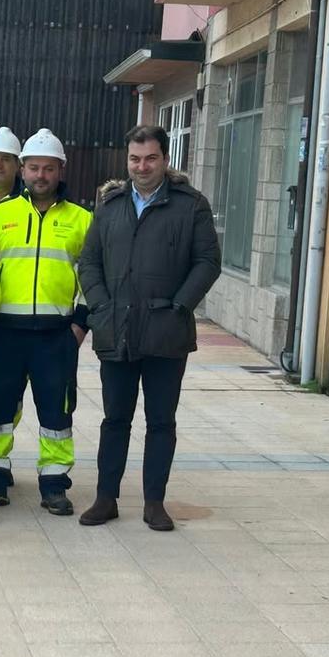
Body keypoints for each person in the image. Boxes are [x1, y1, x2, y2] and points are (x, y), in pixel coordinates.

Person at [77, 124, 221, 532]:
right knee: (114, 419)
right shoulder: (110, 204)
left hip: (166, 331)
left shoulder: (190, 205)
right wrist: (101, 304)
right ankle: (106, 498)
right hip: (116, 329)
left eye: (151, 158)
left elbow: (208, 261)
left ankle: (155, 502)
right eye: (135, 159)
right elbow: (89, 261)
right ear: (127, 160)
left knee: (161, 421)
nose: (142, 166)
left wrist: (180, 306)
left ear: (165, 159)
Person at [0, 128, 92, 516]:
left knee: (56, 414)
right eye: (34, 168)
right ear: (22, 171)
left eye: (49, 168)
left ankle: (55, 485)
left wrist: (79, 325)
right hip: (3, 334)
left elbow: (93, 279)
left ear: (61, 170)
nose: (41, 175)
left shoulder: (81, 220)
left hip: (55, 337)